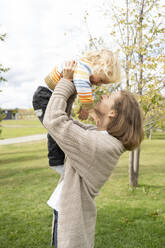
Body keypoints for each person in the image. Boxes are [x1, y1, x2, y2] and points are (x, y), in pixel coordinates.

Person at [43, 61, 144, 248]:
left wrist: (66, 81)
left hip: (69, 219)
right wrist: (74, 89)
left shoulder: (100, 146)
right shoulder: (102, 138)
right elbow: (67, 124)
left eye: (109, 96)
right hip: (64, 210)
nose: (103, 95)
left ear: (113, 112)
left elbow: (54, 121)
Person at [32, 49, 120, 175]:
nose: (99, 84)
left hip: (60, 98)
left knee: (66, 125)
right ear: (97, 66)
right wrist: (90, 110)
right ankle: (56, 162)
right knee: (55, 128)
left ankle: (65, 159)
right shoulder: (83, 67)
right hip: (44, 96)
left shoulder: (87, 75)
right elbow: (82, 86)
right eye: (101, 80)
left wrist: (84, 108)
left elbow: (86, 90)